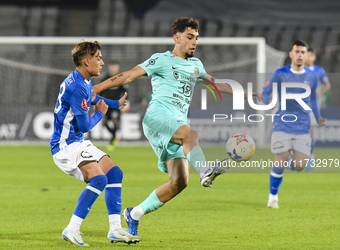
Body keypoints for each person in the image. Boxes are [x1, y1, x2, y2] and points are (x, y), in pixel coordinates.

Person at [93, 17, 263, 239]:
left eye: (197, 38)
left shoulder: (196, 65)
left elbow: (215, 83)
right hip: (157, 118)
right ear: (177, 38)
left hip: (175, 124)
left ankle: (133, 214)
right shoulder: (160, 60)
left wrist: (245, 94)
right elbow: (128, 75)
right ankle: (206, 171)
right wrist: (99, 87)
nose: (194, 42)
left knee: (179, 182)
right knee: (191, 134)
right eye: (190, 37)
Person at [50, 41, 140, 246]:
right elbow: (84, 126)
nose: (102, 62)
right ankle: (72, 229)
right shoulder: (78, 86)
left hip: (76, 142)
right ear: (86, 60)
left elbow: (92, 98)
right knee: (99, 179)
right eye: (98, 58)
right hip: (65, 146)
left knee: (115, 174)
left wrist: (115, 103)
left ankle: (115, 229)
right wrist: (101, 112)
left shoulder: (82, 80)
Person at [262, 40, 327, 209]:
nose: (299, 55)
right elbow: (265, 91)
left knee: (299, 166)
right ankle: (273, 198)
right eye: (296, 51)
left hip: (303, 126)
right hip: (282, 124)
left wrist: (318, 116)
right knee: (281, 157)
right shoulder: (280, 73)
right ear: (291, 54)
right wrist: (268, 100)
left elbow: (313, 99)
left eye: (302, 52)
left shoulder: (312, 76)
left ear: (306, 56)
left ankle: (282, 167)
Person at [304, 47, 331, 172]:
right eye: (306, 55)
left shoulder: (319, 70)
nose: (307, 57)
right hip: (297, 104)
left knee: (310, 130)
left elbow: (327, 85)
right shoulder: (297, 69)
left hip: (312, 104)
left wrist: (318, 93)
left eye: (310, 55)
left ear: (314, 57)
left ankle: (310, 156)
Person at [100, 61, 128, 151]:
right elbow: (101, 92)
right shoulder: (105, 78)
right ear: (109, 67)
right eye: (112, 67)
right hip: (106, 104)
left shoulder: (121, 78)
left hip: (116, 104)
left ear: (118, 68)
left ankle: (112, 140)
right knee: (104, 122)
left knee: (115, 121)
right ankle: (114, 136)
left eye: (115, 67)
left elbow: (125, 92)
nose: (113, 68)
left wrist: (127, 103)